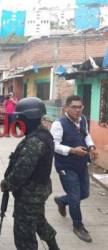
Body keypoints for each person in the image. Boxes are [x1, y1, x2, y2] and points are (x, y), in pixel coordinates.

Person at [0, 97, 60, 250]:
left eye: (20, 117)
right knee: (39, 221)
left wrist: (7, 184)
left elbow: (21, 171)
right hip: (38, 191)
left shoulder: (35, 141)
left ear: (28, 118)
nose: (17, 121)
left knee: (24, 235)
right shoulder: (41, 134)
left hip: (30, 195)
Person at [50, 95, 98, 243]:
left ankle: (62, 201)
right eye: (74, 107)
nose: (77, 110)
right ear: (66, 108)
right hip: (66, 166)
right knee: (75, 197)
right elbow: (53, 145)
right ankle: (78, 226)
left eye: (80, 107)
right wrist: (72, 150)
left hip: (81, 163)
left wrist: (91, 146)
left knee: (84, 193)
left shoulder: (82, 119)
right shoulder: (59, 124)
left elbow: (86, 134)